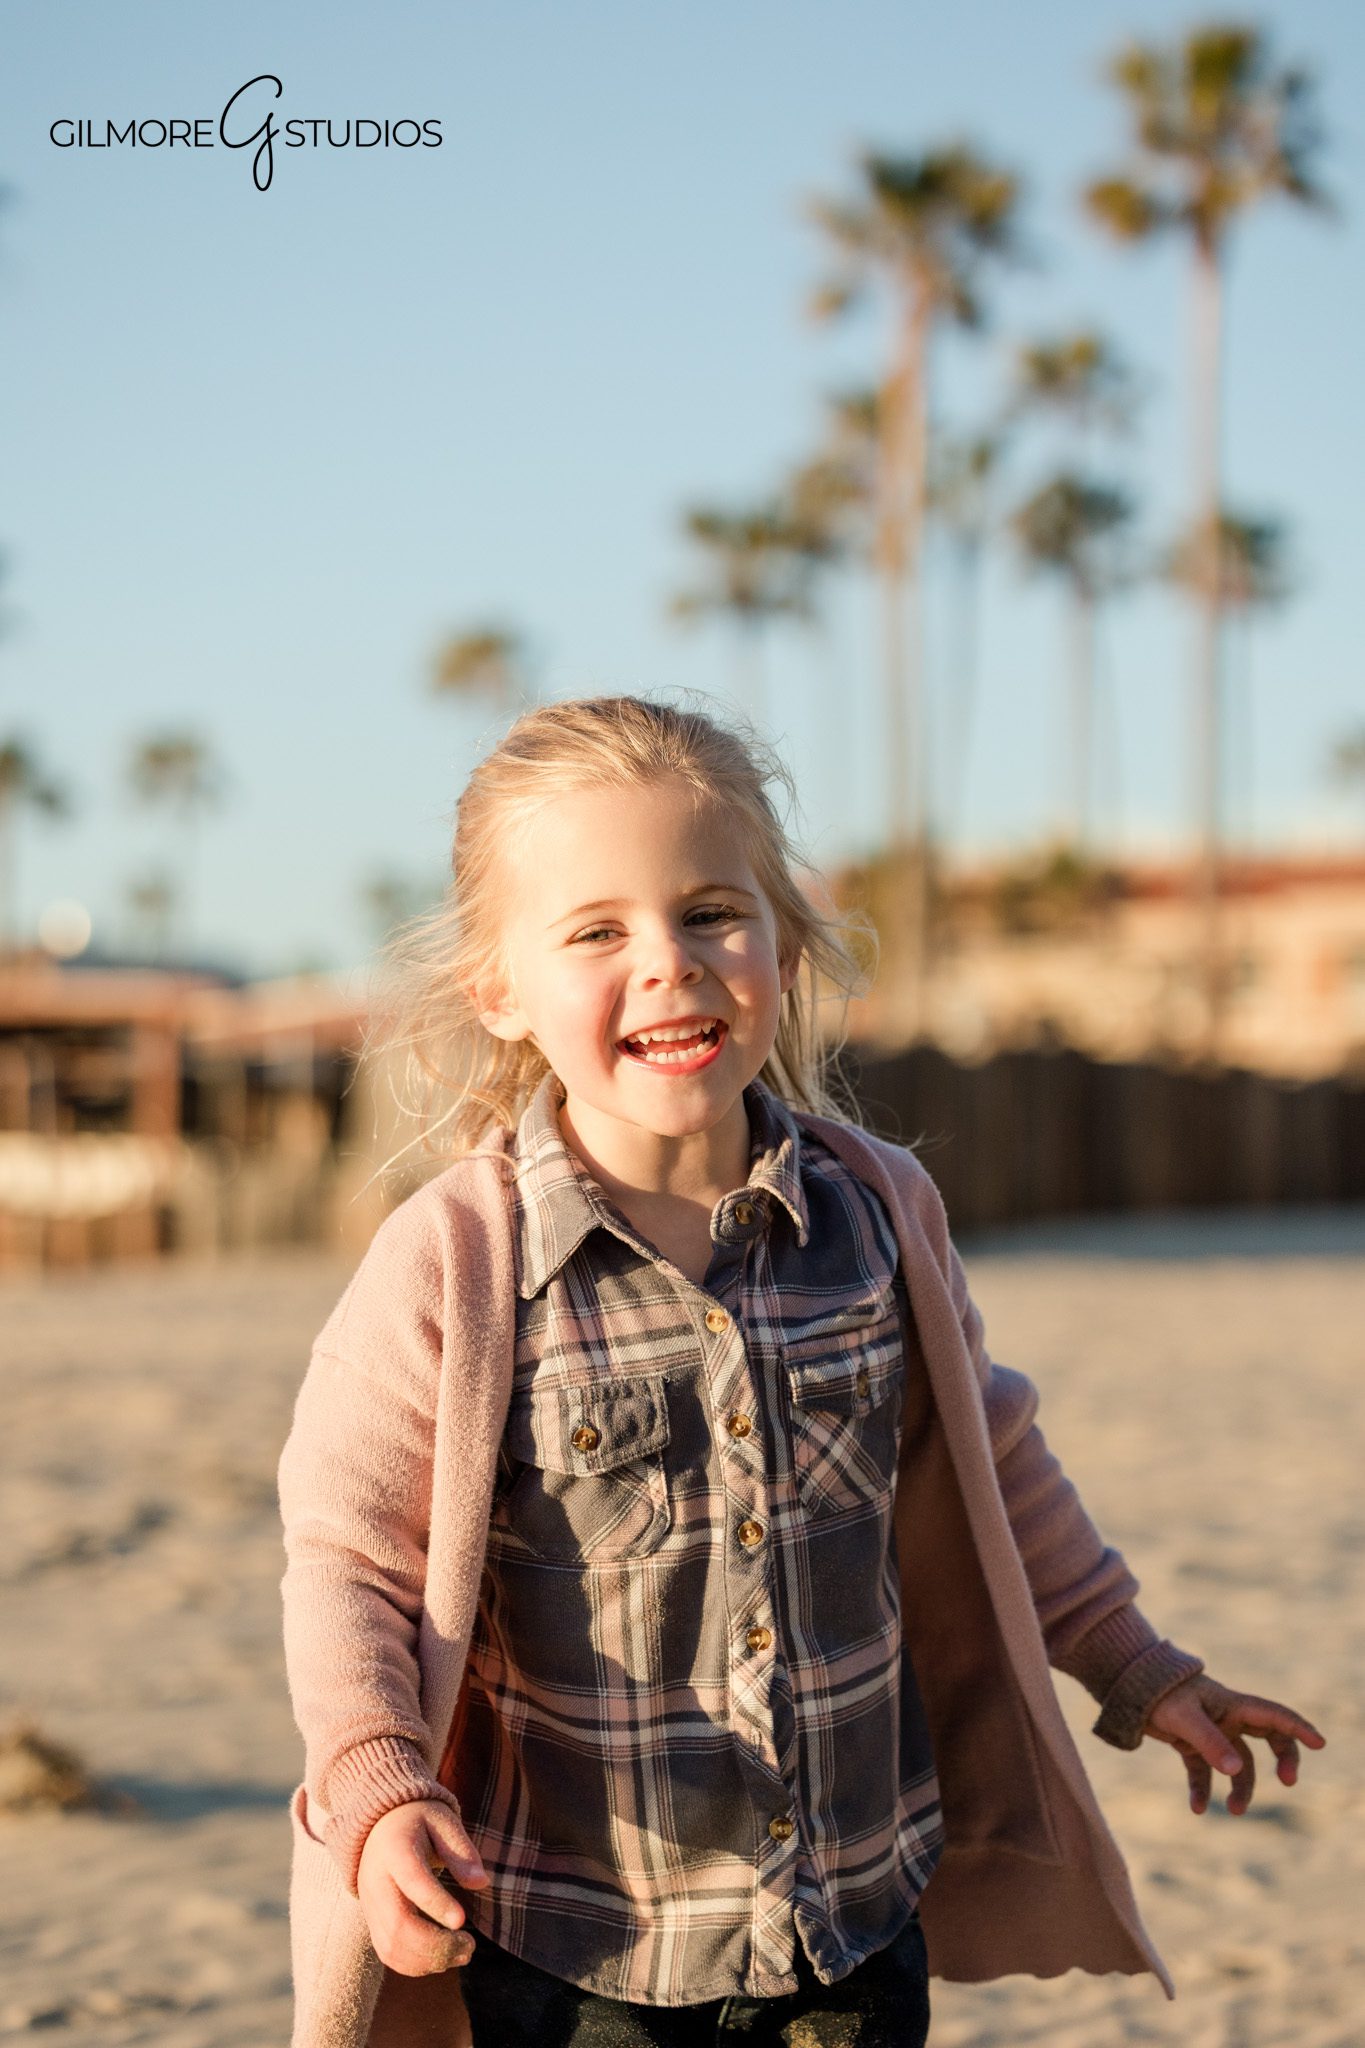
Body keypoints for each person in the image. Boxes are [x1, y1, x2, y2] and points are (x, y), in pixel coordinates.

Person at [278, 693, 1324, 2048]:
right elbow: (348, 1560)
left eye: (712, 912)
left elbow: (990, 1466)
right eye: (596, 932)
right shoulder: (457, 1263)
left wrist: (1136, 1666)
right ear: (499, 990)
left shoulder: (875, 1216)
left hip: (849, 1927)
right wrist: (376, 1787)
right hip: (578, 1948)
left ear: (784, 941)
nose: (669, 963)